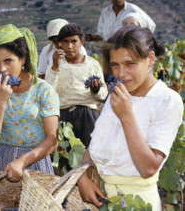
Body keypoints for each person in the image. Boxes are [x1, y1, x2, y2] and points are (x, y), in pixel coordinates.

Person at [77, 26, 183, 210]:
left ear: (150, 59)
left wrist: (126, 115)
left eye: (130, 64)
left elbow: (148, 168)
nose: (120, 74)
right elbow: (96, 142)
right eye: (115, 65)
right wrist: (82, 177)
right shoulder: (118, 92)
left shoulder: (167, 100)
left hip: (137, 202)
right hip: (102, 198)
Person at [0, 24, 60, 182]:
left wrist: (22, 161)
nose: (2, 69)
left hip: (36, 163)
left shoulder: (43, 91)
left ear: (23, 59)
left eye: (8, 61)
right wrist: (0, 101)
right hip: (4, 165)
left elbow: (52, 140)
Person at [45, 23, 108, 149]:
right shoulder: (55, 64)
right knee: (65, 158)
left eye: (74, 41)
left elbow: (103, 95)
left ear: (81, 42)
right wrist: (55, 67)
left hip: (88, 115)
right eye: (65, 42)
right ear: (60, 44)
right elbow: (48, 92)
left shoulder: (92, 64)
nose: (69, 46)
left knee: (91, 155)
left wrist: (96, 90)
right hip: (63, 115)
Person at [85, 0, 156, 42]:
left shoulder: (133, 9)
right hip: (107, 49)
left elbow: (151, 25)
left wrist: (139, 40)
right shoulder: (105, 12)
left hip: (126, 48)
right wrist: (92, 38)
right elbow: (101, 35)